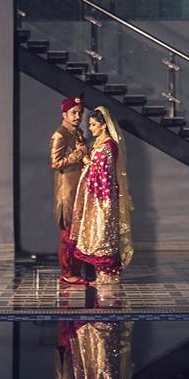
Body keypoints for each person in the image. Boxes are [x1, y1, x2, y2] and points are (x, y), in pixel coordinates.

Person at [68, 105, 133, 285]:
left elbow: (103, 174)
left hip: (103, 198)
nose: (90, 128)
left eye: (93, 124)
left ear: (104, 125)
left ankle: (109, 276)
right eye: (90, 124)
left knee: (103, 236)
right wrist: (86, 157)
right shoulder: (98, 144)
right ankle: (103, 276)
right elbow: (94, 166)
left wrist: (86, 159)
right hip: (95, 197)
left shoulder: (108, 146)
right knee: (97, 235)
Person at [49, 95, 89, 286]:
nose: (77, 116)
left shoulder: (78, 132)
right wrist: (79, 153)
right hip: (67, 192)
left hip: (79, 189)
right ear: (64, 114)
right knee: (68, 234)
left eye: (80, 113)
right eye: (73, 113)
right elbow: (55, 163)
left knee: (78, 233)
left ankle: (75, 271)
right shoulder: (60, 135)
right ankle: (67, 273)